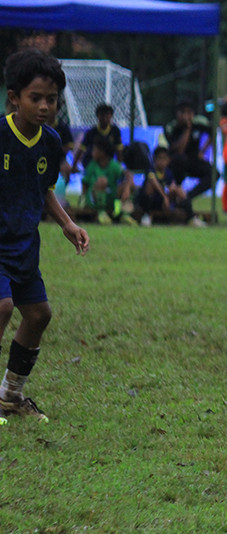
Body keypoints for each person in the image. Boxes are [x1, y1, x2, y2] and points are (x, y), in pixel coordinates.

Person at [0, 49, 90, 425]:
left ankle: (11, 395)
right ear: (13, 98)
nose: (43, 106)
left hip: (24, 245)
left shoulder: (51, 142)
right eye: (34, 98)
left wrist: (67, 224)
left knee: (38, 315)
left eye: (50, 99)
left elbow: (45, 190)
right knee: (2, 307)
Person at [163, 100, 215, 201]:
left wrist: (203, 151)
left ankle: (188, 196)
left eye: (189, 112)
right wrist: (187, 129)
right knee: (179, 160)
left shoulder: (199, 123)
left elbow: (212, 133)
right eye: (183, 112)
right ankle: (175, 193)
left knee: (213, 174)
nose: (186, 116)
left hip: (193, 160)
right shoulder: (172, 127)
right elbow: (179, 150)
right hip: (176, 163)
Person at [133, 146, 197, 226]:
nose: (162, 162)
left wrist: (172, 191)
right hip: (149, 201)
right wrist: (164, 196)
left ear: (168, 160)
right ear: (154, 159)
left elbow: (172, 185)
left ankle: (191, 218)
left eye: (164, 159)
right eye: (159, 158)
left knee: (179, 190)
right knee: (150, 186)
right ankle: (147, 215)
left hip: (162, 202)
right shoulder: (150, 169)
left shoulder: (168, 173)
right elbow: (153, 181)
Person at [80, 134, 135, 225]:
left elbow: (128, 174)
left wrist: (127, 187)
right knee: (102, 181)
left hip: (110, 197)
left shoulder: (114, 165)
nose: (92, 152)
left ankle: (124, 214)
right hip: (94, 199)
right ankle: (101, 213)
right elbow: (85, 184)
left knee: (130, 184)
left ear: (102, 152)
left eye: (94, 150)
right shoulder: (92, 165)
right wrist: (84, 201)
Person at [71, 103, 123, 172]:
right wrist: (74, 165)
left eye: (107, 115)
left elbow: (119, 150)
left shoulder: (115, 131)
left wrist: (119, 166)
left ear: (111, 116)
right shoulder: (91, 132)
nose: (104, 118)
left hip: (107, 162)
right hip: (92, 162)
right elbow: (81, 149)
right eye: (102, 115)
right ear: (97, 116)